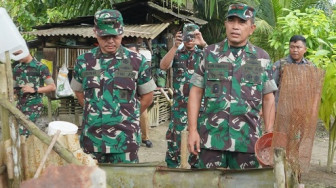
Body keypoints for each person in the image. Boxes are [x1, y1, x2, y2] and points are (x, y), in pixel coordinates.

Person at [187, 3, 277, 169]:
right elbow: (195, 93)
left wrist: (268, 133)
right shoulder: (210, 54)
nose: (235, 26)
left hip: (247, 142)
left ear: (252, 28)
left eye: (242, 22)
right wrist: (192, 130)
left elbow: (268, 98)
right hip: (210, 140)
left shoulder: (262, 58)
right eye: (231, 21)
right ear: (225, 24)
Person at [70, 9, 156, 163]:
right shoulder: (83, 61)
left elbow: (148, 97)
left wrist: (128, 116)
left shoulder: (137, 61)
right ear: (95, 32)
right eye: (105, 36)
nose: (110, 41)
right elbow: (78, 91)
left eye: (115, 36)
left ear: (122, 33)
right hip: (92, 140)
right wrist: (94, 112)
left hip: (124, 141)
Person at [160, 23, 207, 168]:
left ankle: (196, 170)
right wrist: (174, 47)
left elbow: (219, 61)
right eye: (187, 35)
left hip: (199, 109)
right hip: (179, 108)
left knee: (198, 142)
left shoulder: (203, 54)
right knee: (175, 140)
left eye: (193, 35)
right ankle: (172, 168)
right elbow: (163, 66)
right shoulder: (177, 54)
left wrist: (204, 43)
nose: (190, 39)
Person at [13, 52, 56, 135]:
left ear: (26, 50)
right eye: (15, 55)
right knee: (15, 130)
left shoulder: (41, 67)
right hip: (19, 104)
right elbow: (13, 87)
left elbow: (52, 87)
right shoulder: (17, 68)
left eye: (19, 54)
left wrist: (34, 89)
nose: (17, 57)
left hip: (34, 105)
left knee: (24, 131)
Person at [125, 42, 153, 148]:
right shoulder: (122, 64)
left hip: (139, 98)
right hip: (125, 100)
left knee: (144, 117)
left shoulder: (141, 63)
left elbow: (147, 89)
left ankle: (146, 138)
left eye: (134, 52)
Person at [272, 35, 314, 106]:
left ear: (305, 49)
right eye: (292, 47)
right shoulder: (280, 65)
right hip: (282, 108)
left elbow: (313, 90)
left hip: (302, 108)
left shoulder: (310, 67)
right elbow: (271, 89)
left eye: (298, 47)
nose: (295, 50)